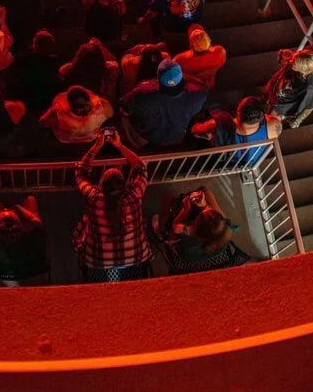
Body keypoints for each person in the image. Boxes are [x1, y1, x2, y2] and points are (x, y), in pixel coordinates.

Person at [73, 131, 151, 280]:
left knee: (86, 221)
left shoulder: (94, 198)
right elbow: (140, 167)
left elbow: (80, 171)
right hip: (136, 260)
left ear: (100, 185)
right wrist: (120, 146)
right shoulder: (133, 197)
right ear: (125, 186)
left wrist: (96, 146)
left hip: (97, 263)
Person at [120, 58, 209, 147]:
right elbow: (201, 86)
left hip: (144, 136)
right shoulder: (198, 95)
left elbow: (124, 109)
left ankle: (130, 144)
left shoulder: (141, 92)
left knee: (123, 115)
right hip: (176, 136)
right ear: (182, 76)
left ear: (158, 77)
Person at [39, 84, 114, 147]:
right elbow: (43, 122)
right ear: (71, 106)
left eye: (86, 105)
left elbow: (111, 116)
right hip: (64, 144)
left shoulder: (102, 106)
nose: (84, 109)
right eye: (79, 106)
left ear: (89, 101)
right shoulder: (58, 111)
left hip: (91, 142)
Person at [264, 48, 313, 129]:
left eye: (294, 64)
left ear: (303, 72)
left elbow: (310, 104)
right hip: (280, 88)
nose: (290, 62)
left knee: (270, 119)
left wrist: (298, 120)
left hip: (285, 102)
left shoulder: (309, 87)